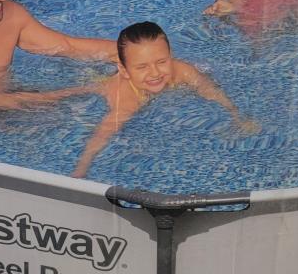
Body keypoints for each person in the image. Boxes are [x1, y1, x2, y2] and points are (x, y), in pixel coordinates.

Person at [72, 22, 259, 178]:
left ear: (170, 56)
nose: (155, 73)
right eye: (142, 67)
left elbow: (212, 92)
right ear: (124, 70)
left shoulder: (183, 71)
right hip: (108, 85)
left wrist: (237, 117)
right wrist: (82, 169)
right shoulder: (128, 101)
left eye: (162, 62)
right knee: (85, 89)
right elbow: (103, 133)